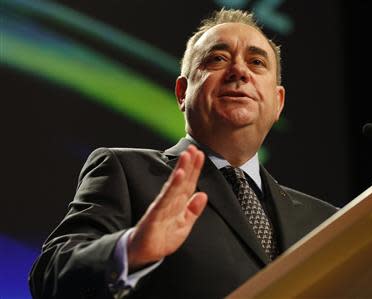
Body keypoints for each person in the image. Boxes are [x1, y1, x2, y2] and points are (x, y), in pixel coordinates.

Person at [29, 8, 337, 299]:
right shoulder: (126, 171)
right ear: (181, 93)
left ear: (278, 102)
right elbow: (52, 276)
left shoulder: (326, 221)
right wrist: (131, 251)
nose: (239, 71)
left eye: (257, 63)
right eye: (217, 58)